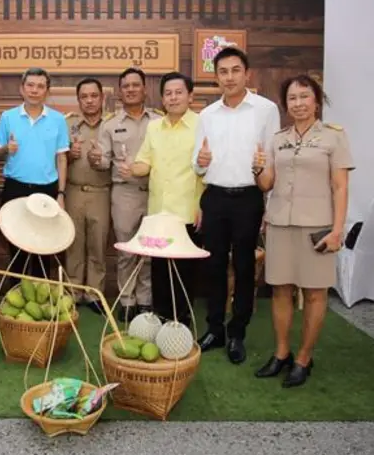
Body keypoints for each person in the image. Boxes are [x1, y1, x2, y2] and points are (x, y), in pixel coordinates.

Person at [253, 74, 354, 388]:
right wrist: (258, 168)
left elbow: (340, 187)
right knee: (280, 290)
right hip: (280, 223)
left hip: (317, 227)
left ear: (316, 100)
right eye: (292, 98)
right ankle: (282, 353)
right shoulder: (278, 138)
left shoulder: (333, 137)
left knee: (314, 294)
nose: (298, 103)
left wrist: (338, 230)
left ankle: (304, 358)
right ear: (285, 104)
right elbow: (267, 185)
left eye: (304, 97)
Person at [192, 47, 281, 364]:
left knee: (244, 267)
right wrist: (200, 162)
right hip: (214, 197)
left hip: (248, 198)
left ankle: (237, 332)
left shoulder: (266, 110)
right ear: (216, 77)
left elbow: (271, 159)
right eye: (223, 72)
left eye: (234, 70)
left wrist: (268, 204)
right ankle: (215, 328)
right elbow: (197, 163)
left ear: (247, 74)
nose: (229, 77)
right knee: (214, 266)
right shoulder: (207, 114)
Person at [125, 71, 204, 325]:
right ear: (162, 98)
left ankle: (181, 321)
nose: (173, 98)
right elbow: (143, 163)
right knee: (159, 270)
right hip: (158, 212)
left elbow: (208, 170)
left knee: (184, 271)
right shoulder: (154, 127)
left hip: (187, 211)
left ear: (190, 96)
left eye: (178, 92)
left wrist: (202, 204)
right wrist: (131, 167)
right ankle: (161, 317)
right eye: (168, 93)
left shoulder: (203, 125)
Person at [88, 67, 162, 322]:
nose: (130, 89)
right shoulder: (110, 124)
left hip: (155, 193)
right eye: (126, 86)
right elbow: (102, 160)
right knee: (127, 251)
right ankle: (127, 299)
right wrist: (95, 158)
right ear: (120, 92)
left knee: (150, 250)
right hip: (125, 194)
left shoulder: (159, 121)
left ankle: (145, 300)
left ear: (144, 89)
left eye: (135, 85)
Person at [0, 67, 70, 285]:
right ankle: (14, 298)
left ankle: (42, 299)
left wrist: (61, 194)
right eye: (30, 85)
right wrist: (6, 149)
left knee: (44, 248)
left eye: (40, 86)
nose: (34, 90)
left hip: (47, 190)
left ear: (47, 91)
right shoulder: (8, 117)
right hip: (15, 188)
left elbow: (62, 159)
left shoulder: (57, 120)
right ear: (22, 88)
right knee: (16, 247)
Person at [64, 78, 111, 315]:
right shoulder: (68, 124)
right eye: (84, 96)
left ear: (102, 98)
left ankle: (94, 294)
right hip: (73, 190)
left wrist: (103, 160)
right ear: (78, 99)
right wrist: (70, 156)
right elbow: (58, 158)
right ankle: (72, 293)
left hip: (101, 192)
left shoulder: (112, 125)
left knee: (97, 246)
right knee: (73, 245)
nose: (90, 100)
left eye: (94, 95)